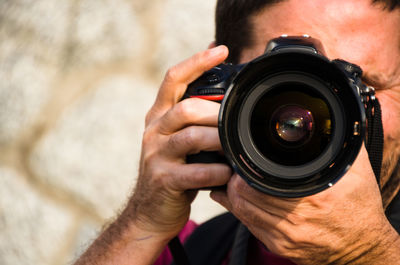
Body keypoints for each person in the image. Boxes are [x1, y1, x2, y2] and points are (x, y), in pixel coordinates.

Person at [75, 0, 400, 264]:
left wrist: (366, 253)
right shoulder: (196, 250)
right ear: (218, 84)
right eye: (287, 84)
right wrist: (142, 221)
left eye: (362, 84)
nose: (328, 112)